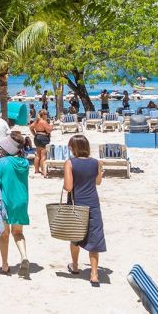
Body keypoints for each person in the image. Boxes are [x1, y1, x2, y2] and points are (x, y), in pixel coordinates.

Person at [62, 134, 105, 287]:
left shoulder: (70, 163)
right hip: (93, 203)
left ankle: (75, 266)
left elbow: (68, 187)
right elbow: (98, 182)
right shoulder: (96, 162)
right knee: (94, 237)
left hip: (77, 204)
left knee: (75, 235)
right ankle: (94, 273)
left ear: (74, 148)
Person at [0, 135, 31, 277]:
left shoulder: (1, 162)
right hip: (22, 201)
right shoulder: (25, 162)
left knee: (4, 234)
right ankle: (24, 257)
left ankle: (5, 265)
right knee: (18, 233)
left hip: (6, 202)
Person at [29, 109, 53, 177]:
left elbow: (30, 128)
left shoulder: (36, 121)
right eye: (46, 114)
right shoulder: (43, 122)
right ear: (44, 115)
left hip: (37, 138)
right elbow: (49, 130)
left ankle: (36, 170)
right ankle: (43, 170)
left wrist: (34, 134)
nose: (47, 116)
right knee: (43, 155)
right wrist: (51, 125)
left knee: (37, 155)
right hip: (43, 138)